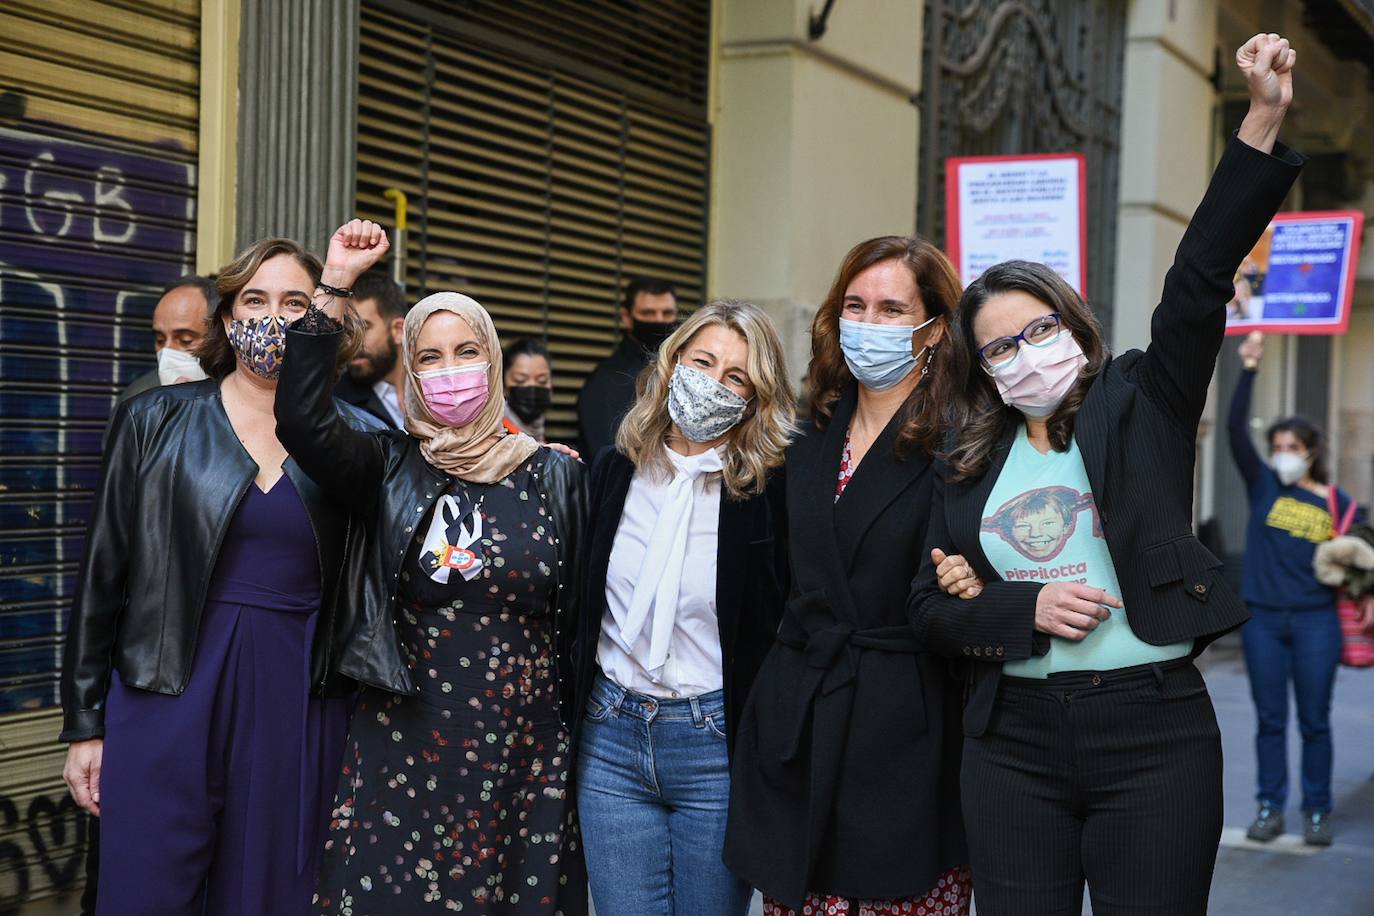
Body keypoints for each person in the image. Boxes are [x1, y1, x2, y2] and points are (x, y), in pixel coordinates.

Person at [909, 33, 1302, 915]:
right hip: (1010, 741)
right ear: (982, 367)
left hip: (1153, 732)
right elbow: (927, 608)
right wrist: (1024, 608)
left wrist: (1262, 122)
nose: (1023, 353)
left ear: (1073, 327)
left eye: (1037, 329)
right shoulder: (966, 458)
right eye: (999, 345)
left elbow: (1200, 277)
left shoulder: (1141, 398)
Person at [274, 220, 588, 915]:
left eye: (467, 351)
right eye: (432, 357)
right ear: (409, 371)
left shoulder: (554, 477)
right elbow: (298, 417)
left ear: (494, 359)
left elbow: (579, 620)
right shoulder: (385, 464)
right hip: (405, 740)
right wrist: (334, 283)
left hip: (522, 748)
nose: (452, 371)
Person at [61, 238, 381, 915]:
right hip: (164, 691)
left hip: (299, 702)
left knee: (271, 893)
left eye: (295, 303)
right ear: (228, 320)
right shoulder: (155, 418)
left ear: (324, 317)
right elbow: (103, 575)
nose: (273, 318)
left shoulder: (357, 440)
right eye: (254, 301)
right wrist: (86, 723)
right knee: (148, 887)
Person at [725, 236, 971, 915]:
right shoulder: (804, 438)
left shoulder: (964, 444)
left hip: (905, 736)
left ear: (935, 328)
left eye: (893, 309)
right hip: (799, 718)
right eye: (855, 306)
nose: (869, 323)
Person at [575, 300, 794, 916]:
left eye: (737, 376)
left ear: (756, 397)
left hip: (713, 745)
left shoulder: (768, 491)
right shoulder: (615, 470)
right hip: (611, 737)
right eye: (703, 362)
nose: (715, 382)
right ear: (671, 365)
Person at [1228, 331, 1361, 846]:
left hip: (1316, 622)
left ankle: (1318, 811)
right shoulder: (1262, 484)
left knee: (1314, 722)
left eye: (1292, 448)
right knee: (1269, 721)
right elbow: (1235, 427)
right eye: (1278, 447)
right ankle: (1268, 807)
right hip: (1263, 619)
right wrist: (1250, 366)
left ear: (1310, 453)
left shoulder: (1337, 502)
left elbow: (1359, 564)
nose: (1283, 455)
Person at [577, 276, 677, 455]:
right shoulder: (607, 382)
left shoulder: (684, 370)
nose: (659, 320)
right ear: (626, 317)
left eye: (667, 313)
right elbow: (608, 457)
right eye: (648, 313)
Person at [114, 273, 216, 406]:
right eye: (160, 340)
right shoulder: (138, 402)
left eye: (186, 340)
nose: (167, 352)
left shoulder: (243, 398)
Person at [334, 269, 408, 428]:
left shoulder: (430, 389)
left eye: (364, 328)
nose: (350, 342)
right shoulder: (337, 403)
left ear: (398, 330)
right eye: (347, 331)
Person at [502, 337, 554, 442]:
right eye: (520, 380)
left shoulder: (541, 438)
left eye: (542, 381)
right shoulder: (497, 437)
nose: (532, 387)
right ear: (503, 387)